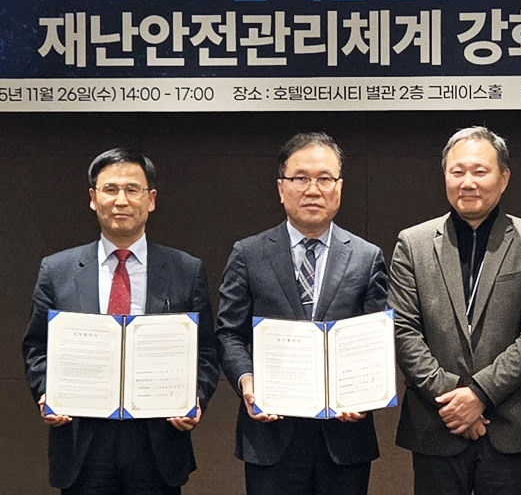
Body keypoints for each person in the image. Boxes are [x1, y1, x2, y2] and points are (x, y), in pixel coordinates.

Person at [22, 148, 219, 495]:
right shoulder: (57, 270)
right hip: (82, 439)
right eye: (110, 189)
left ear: (151, 199)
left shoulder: (185, 270)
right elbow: (37, 347)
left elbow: (206, 351)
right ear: (93, 198)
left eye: (132, 189)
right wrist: (46, 390)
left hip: (157, 441)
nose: (121, 200)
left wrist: (195, 396)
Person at [215, 132, 387, 495]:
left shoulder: (366, 256)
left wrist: (365, 394)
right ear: (281, 188)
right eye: (300, 178)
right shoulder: (248, 253)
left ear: (339, 187)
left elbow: (379, 337)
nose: (312, 189)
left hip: (344, 437)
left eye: (324, 178)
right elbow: (229, 333)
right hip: (270, 435)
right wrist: (247, 380)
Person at [390, 126, 521, 495]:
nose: (468, 182)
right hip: (437, 422)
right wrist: (454, 396)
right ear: (445, 176)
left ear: (504, 178)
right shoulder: (413, 243)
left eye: (480, 171)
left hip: (508, 424)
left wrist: (480, 394)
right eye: (457, 171)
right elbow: (403, 331)